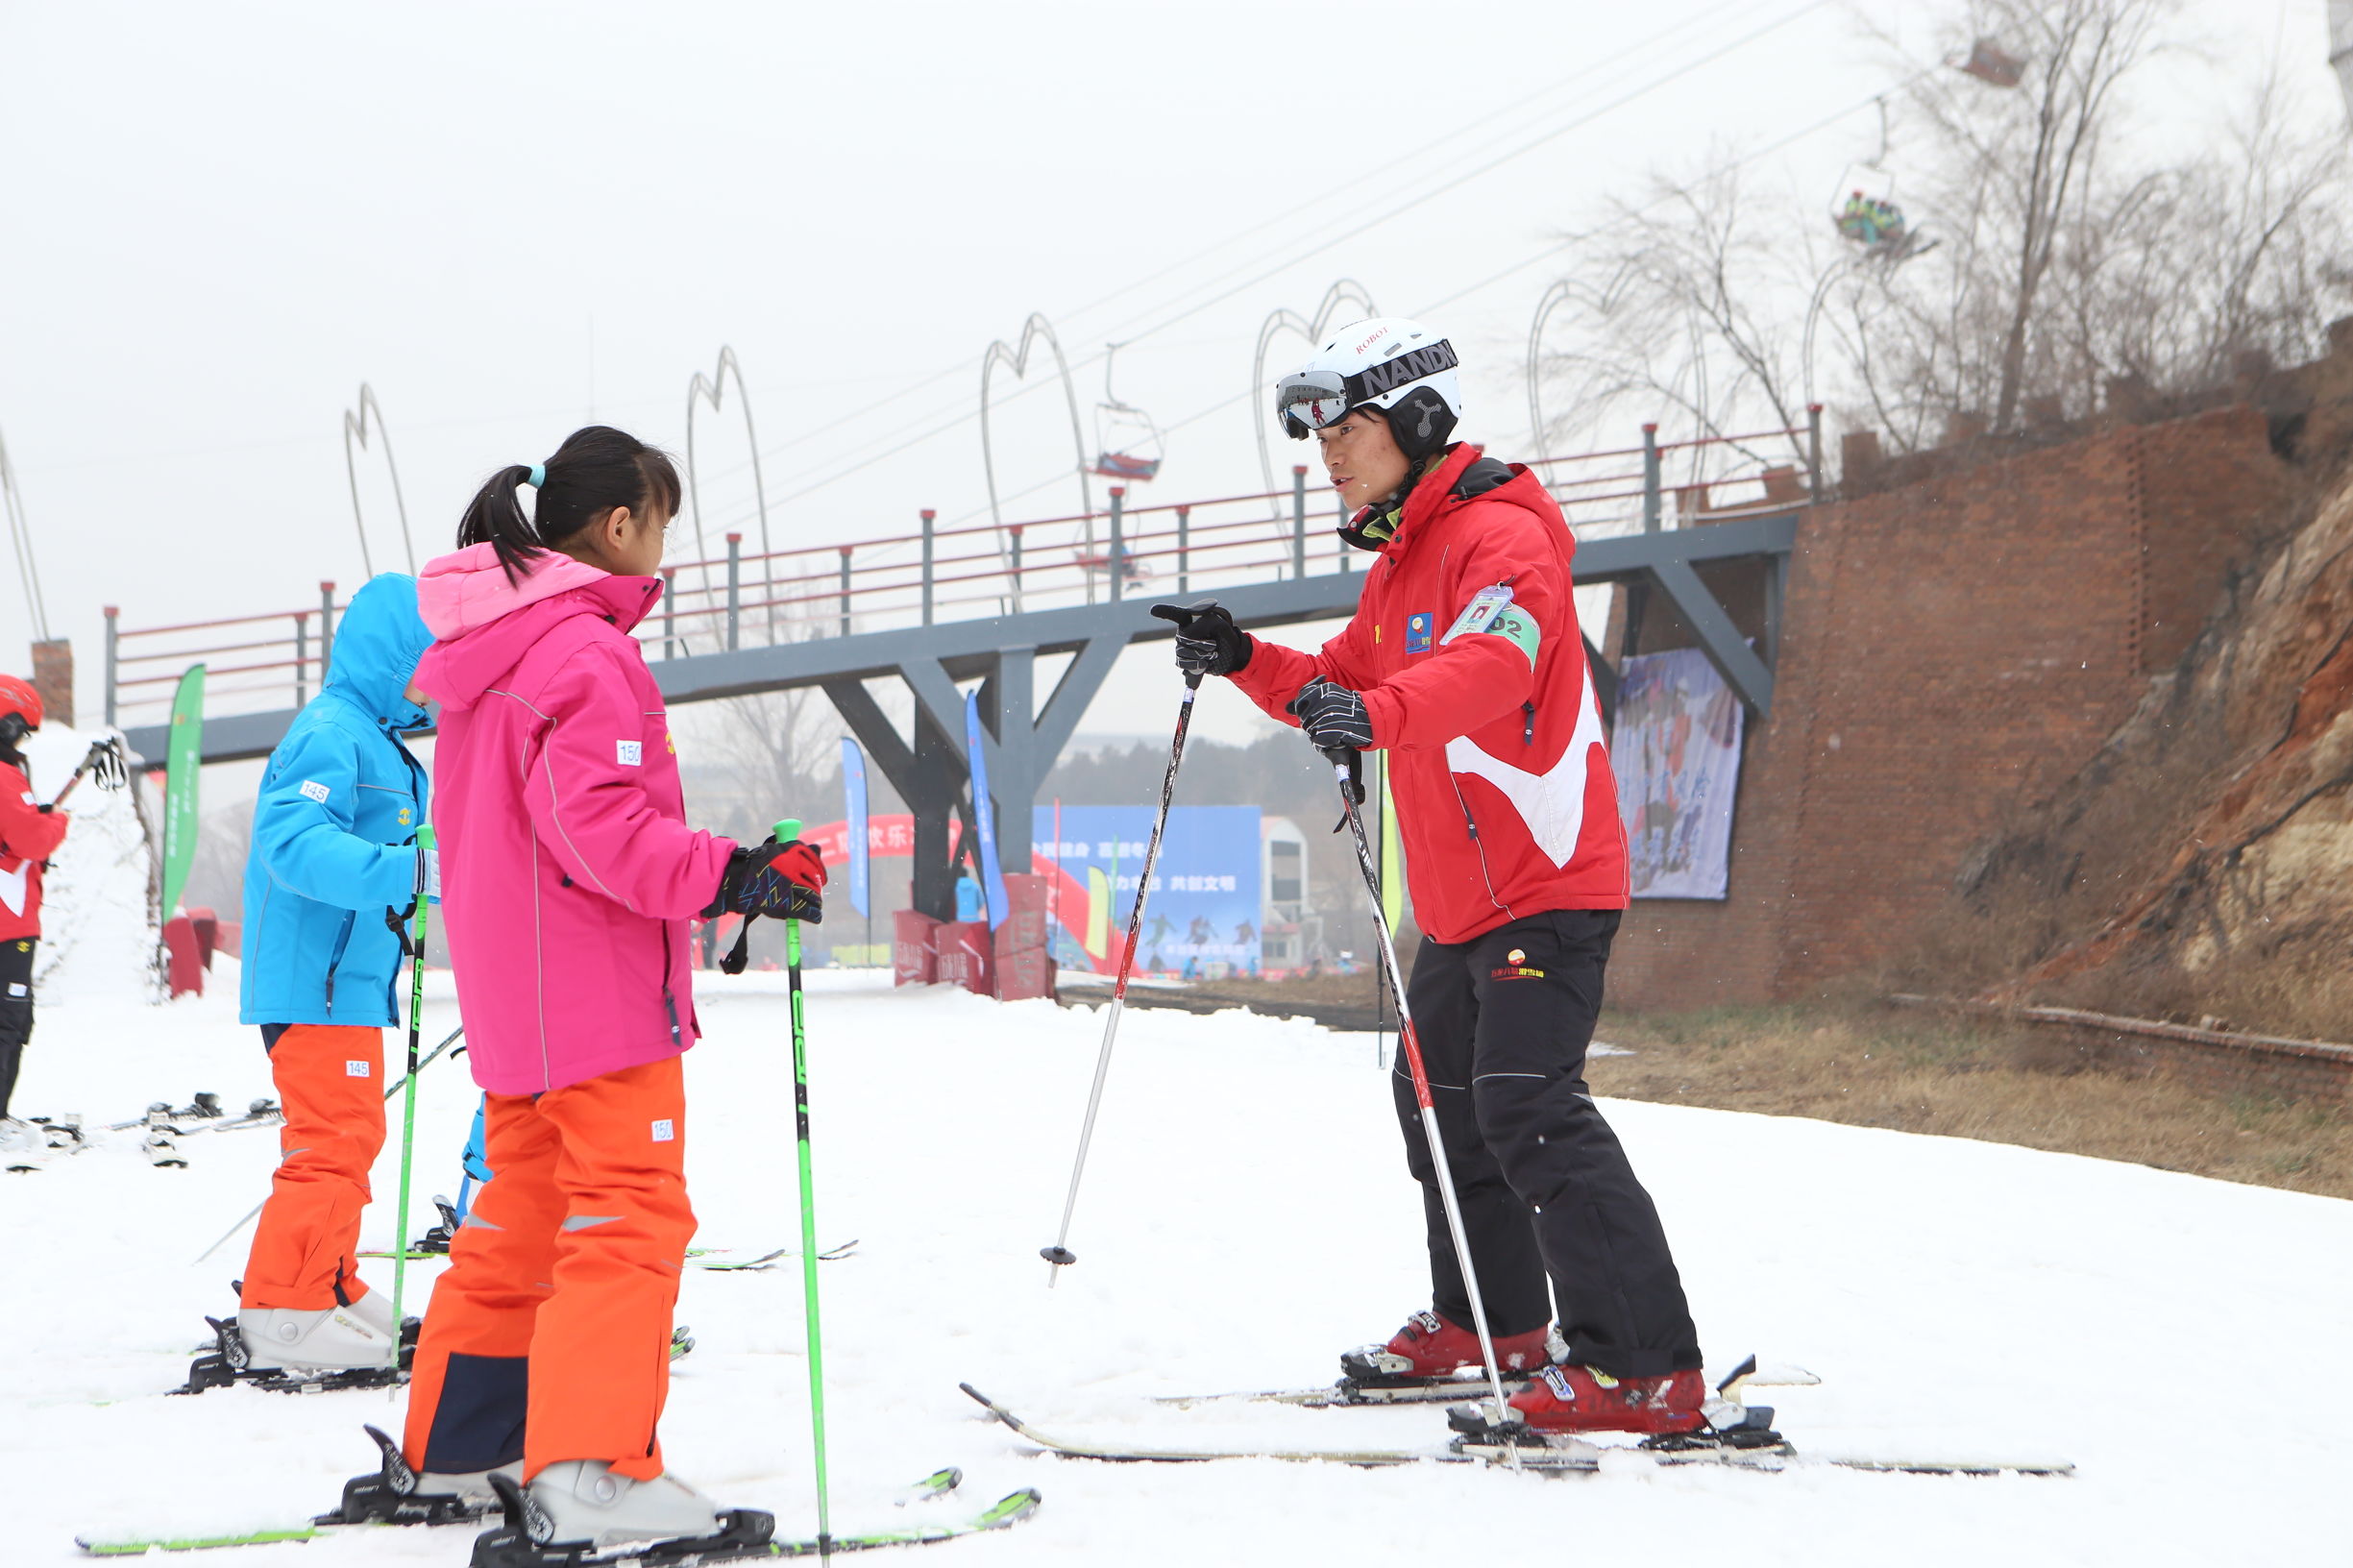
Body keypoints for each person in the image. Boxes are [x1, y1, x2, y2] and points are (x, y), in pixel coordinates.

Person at [1162, 318, 1707, 1435]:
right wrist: (1243, 658)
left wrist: (1372, 712)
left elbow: (1491, 663)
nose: (1330, 456)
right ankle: (1492, 1325)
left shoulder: (1502, 537)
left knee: (1531, 1109)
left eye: (1349, 430)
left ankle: (1643, 1365)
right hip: (1460, 907)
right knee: (1442, 1107)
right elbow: (1341, 678)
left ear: (1415, 419)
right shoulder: (1407, 562)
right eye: (1320, 438)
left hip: (1543, 885)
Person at [394, 427, 823, 1553]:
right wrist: (733, 873)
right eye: (661, 526)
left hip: (515, 1005)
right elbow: (603, 833)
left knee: (520, 1224)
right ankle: (590, 1471)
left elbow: (542, 830)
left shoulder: (486, 657)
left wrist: (723, 871)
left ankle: (466, 1446)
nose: (662, 553)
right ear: (620, 527)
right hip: (593, 996)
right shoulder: (585, 655)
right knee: (626, 1220)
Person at [232, 574, 433, 1378]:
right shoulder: (330, 733)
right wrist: (407, 870)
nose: (437, 682)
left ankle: (329, 1283)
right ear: (391, 656)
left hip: (346, 985)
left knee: (356, 1134)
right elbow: (293, 845)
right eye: (429, 661)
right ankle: (284, 1308)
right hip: (313, 984)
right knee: (332, 1141)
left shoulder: (377, 738)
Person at [0, 674, 72, 1144]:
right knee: (9, 1018)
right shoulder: (5, 774)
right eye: (22, 731)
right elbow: (30, 836)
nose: (24, 741)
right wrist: (55, 821)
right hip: (9, 923)